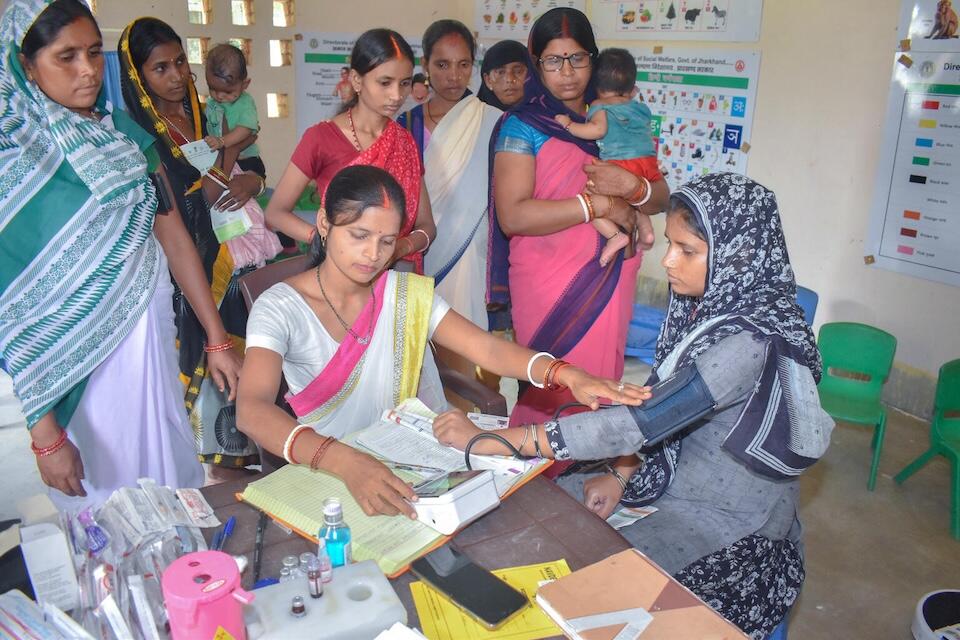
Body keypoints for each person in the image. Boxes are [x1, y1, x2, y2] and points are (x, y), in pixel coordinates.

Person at [434, 173, 835, 639]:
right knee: (548, 529)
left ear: (737, 257)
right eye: (670, 243)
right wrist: (622, 472)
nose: (667, 261)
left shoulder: (747, 343)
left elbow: (641, 422)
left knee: (575, 590)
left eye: (687, 250)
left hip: (734, 531)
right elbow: (665, 416)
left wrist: (498, 440)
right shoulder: (722, 310)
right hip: (681, 484)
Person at [236, 165, 647, 518]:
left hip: (406, 459)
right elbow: (252, 410)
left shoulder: (402, 293)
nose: (373, 254)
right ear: (324, 223)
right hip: (327, 464)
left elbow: (486, 349)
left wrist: (564, 372)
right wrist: (345, 461)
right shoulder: (281, 307)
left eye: (386, 240)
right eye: (358, 235)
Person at [0, 0, 254, 506]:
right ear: (25, 64)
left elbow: (173, 233)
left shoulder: (122, 133)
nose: (88, 70)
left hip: (148, 336)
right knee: (105, 506)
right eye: (66, 57)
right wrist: (45, 434)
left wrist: (216, 336)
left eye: (94, 53)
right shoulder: (13, 161)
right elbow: (14, 312)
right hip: (78, 379)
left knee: (167, 476)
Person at [491, 7, 669, 432]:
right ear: (537, 64)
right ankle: (541, 474)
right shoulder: (522, 125)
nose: (567, 72)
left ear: (594, 59)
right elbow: (512, 215)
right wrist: (599, 206)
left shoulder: (615, 117)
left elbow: (660, 194)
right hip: (545, 279)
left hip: (611, 273)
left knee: (602, 388)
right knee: (549, 385)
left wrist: (632, 188)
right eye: (554, 60)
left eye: (578, 58)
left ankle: (593, 470)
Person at [120, 17, 269, 472]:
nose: (176, 76)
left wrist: (252, 179)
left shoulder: (206, 112)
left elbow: (251, 160)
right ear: (137, 77)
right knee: (204, 372)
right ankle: (215, 465)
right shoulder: (137, 133)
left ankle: (248, 453)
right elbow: (164, 210)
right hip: (183, 270)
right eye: (159, 68)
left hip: (232, 254)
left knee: (249, 361)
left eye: (181, 62)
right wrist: (201, 193)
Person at [265, 29, 435, 273]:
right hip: (338, 275)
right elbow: (275, 213)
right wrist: (325, 239)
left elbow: (427, 225)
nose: (397, 95)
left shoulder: (405, 142)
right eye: (385, 82)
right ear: (356, 80)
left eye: (405, 83)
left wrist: (398, 248)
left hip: (393, 275)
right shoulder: (321, 138)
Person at [555, 48, 660, 267]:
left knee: (588, 201)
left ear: (596, 86)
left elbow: (598, 130)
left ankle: (614, 236)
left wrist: (569, 125)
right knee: (635, 199)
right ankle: (647, 230)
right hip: (647, 163)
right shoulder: (640, 108)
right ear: (632, 88)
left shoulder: (599, 105)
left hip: (620, 163)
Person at [201, 42, 282, 269]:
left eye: (227, 92)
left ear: (244, 84)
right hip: (226, 160)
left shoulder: (245, 102)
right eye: (212, 88)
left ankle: (266, 245)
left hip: (248, 161)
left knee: (249, 208)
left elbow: (247, 130)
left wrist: (224, 142)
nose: (219, 96)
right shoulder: (213, 102)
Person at [398, 19, 475, 159]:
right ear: (425, 65)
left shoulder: (487, 119)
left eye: (463, 64)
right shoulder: (408, 123)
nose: (454, 76)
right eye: (442, 65)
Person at [476, 39, 528, 111]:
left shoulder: (544, 116)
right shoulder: (474, 118)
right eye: (501, 72)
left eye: (518, 71)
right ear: (488, 81)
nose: (509, 79)